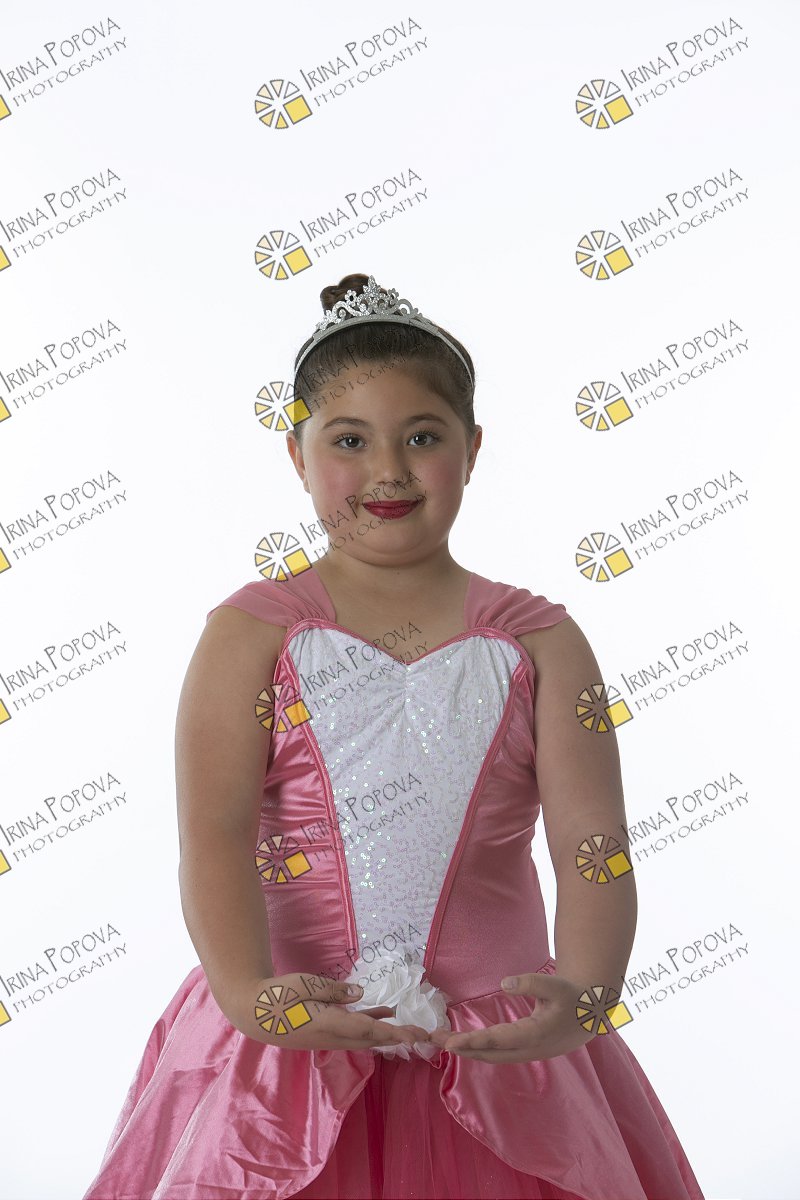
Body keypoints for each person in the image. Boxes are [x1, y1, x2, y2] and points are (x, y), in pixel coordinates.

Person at [82, 273, 705, 1200]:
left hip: (497, 1043)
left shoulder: (541, 642)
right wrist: (248, 994)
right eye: (349, 440)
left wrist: (588, 990)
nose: (388, 470)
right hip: (291, 1030)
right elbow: (214, 835)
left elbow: (593, 843)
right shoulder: (251, 635)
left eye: (422, 437)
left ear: (472, 448)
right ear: (297, 454)